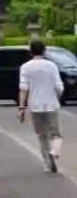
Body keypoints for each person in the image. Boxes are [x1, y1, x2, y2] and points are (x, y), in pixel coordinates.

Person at [18, 39, 65, 173]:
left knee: (41, 135)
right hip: (51, 104)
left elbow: (23, 89)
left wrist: (21, 108)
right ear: (44, 51)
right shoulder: (52, 66)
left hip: (35, 105)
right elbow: (59, 86)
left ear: (30, 52)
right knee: (55, 134)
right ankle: (54, 151)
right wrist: (57, 98)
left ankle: (47, 162)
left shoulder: (25, 67)